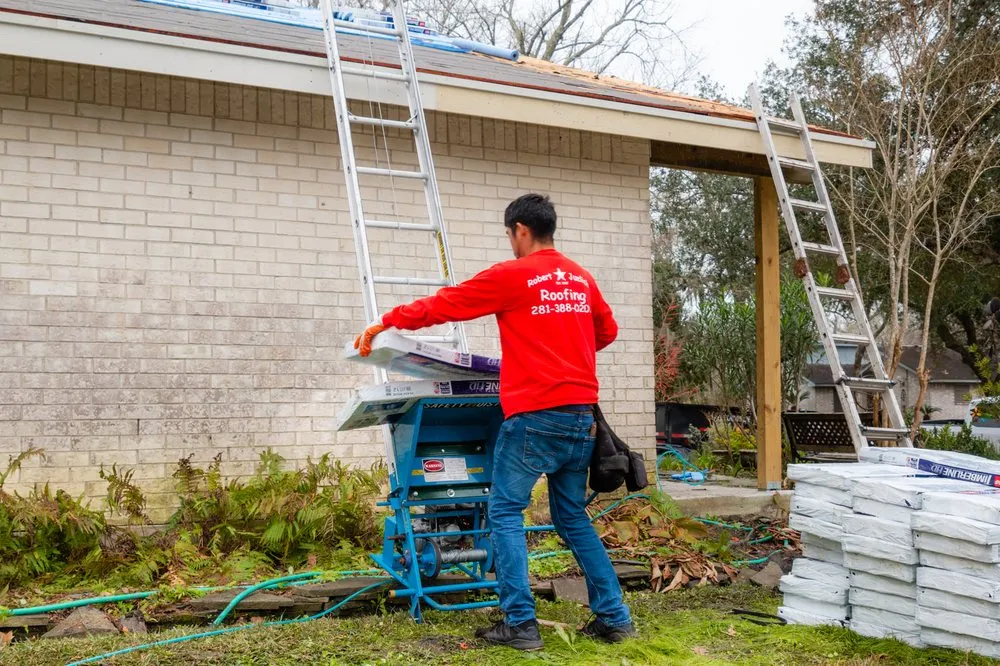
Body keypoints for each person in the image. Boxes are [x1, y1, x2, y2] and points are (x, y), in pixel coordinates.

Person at [354, 193, 635, 650]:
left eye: (510, 234)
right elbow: (607, 331)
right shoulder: (580, 278)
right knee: (572, 520)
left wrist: (385, 322)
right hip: (581, 419)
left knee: (504, 513)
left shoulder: (513, 275)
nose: (510, 242)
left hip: (534, 418)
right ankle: (614, 618)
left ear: (520, 230)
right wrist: (564, 353)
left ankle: (521, 624)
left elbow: (447, 304)